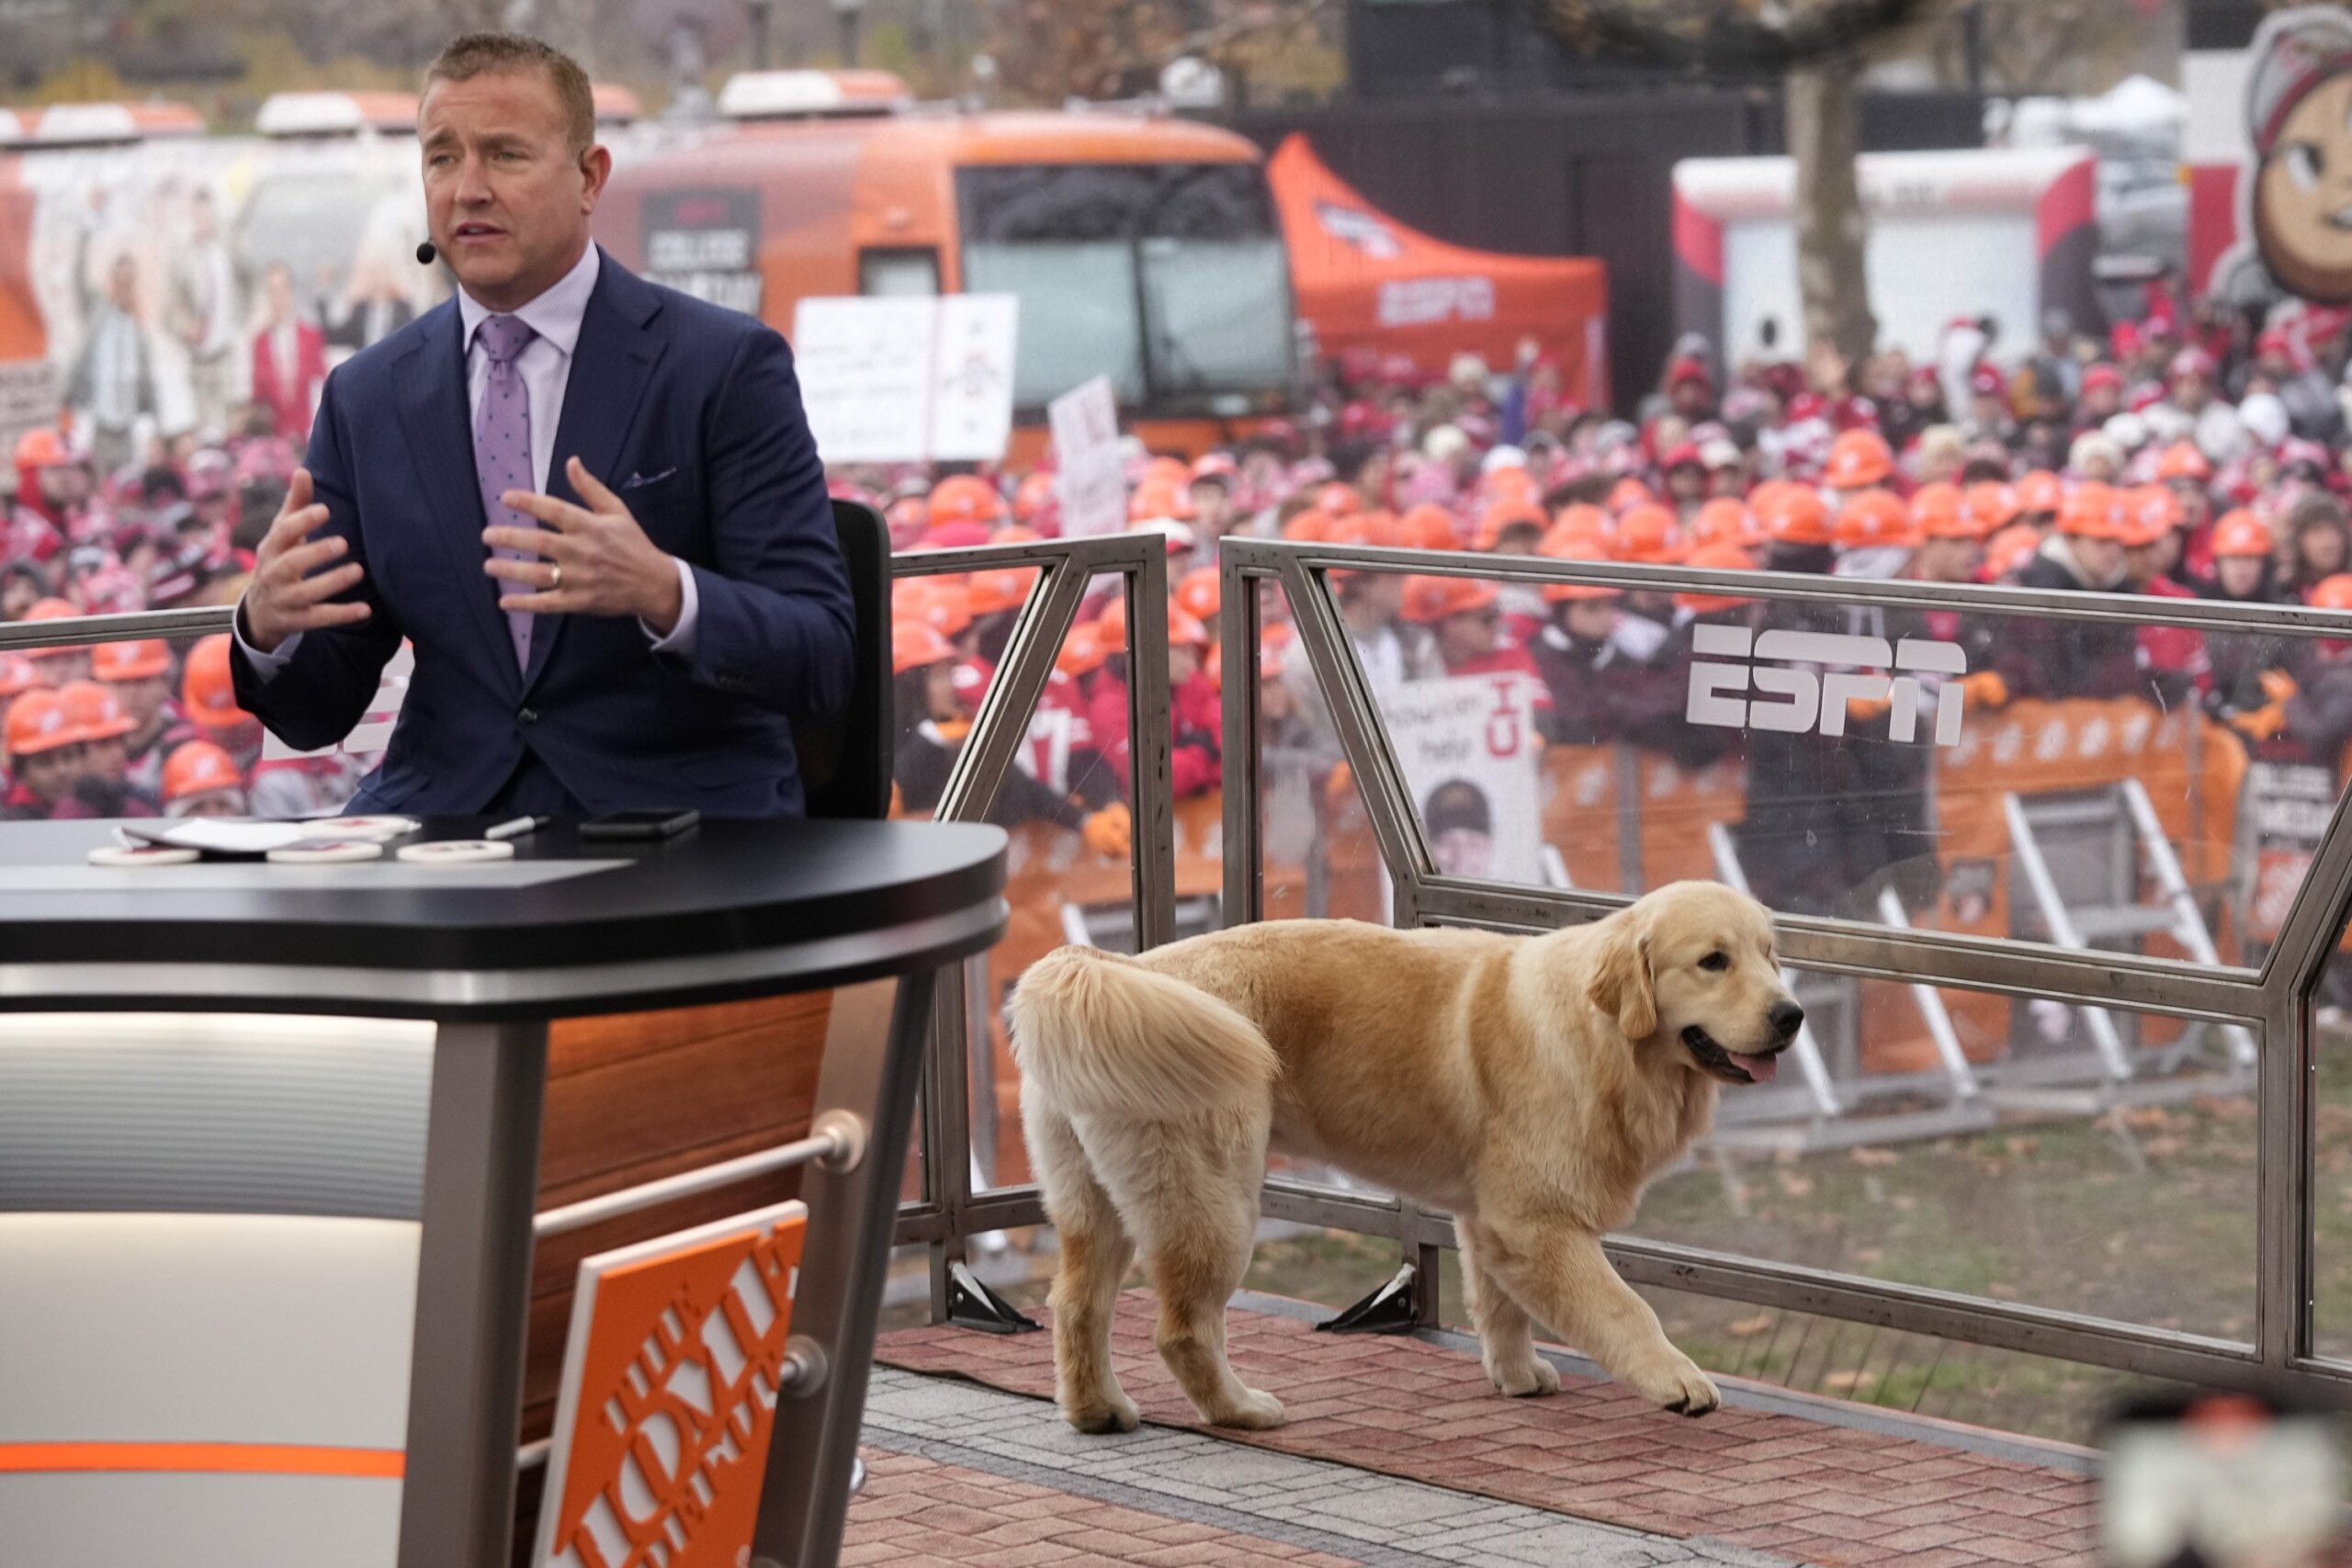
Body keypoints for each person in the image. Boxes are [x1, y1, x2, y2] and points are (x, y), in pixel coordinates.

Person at [229, 31, 854, 818]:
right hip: (446, 826)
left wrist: (665, 592)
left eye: (506, 155)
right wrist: (268, 628)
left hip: (673, 826)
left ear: (590, 178)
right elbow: (319, 711)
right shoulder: (367, 396)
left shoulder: (722, 366)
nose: (469, 188)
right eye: (442, 157)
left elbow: (822, 656)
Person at [63, 254, 156, 476]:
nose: (124, 284)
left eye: (129, 278)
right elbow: (78, 282)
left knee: (127, 478)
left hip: (127, 418)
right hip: (98, 414)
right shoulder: (98, 309)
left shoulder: (136, 319)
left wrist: (150, 413)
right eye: (120, 277)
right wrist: (84, 237)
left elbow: (145, 371)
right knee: (96, 474)